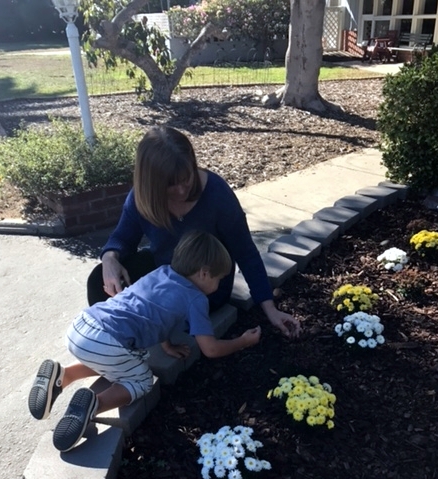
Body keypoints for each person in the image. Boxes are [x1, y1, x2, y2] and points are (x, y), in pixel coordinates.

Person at [28, 231, 262, 453]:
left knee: (121, 359)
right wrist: (242, 341)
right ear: (203, 273)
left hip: (83, 326)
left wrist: (166, 344)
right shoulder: (196, 298)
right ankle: (93, 404)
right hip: (106, 340)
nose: (219, 285)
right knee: (141, 380)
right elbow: (210, 349)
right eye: (219, 279)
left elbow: (154, 312)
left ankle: (63, 376)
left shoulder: (162, 272)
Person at [87, 125, 301, 339]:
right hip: (165, 278)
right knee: (99, 281)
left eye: (186, 178)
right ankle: (110, 346)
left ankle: (136, 340)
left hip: (205, 289)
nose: (181, 190)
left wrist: (269, 308)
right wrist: (110, 258)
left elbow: (245, 253)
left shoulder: (217, 194)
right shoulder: (142, 198)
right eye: (171, 185)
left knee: (148, 307)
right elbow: (122, 238)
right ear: (152, 183)